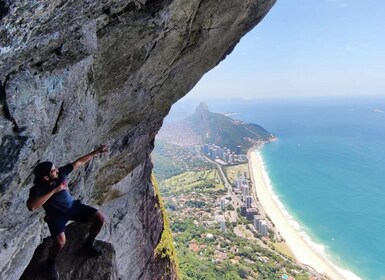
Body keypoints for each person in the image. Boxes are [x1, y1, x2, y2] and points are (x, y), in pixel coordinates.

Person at [27, 144, 108, 280]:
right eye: (53, 170)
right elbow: (32, 206)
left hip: (73, 206)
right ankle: (49, 264)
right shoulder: (38, 189)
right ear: (46, 178)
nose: (57, 170)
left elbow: (79, 162)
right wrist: (54, 191)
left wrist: (97, 151)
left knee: (99, 218)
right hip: (56, 216)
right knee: (60, 242)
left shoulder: (60, 174)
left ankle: (88, 244)